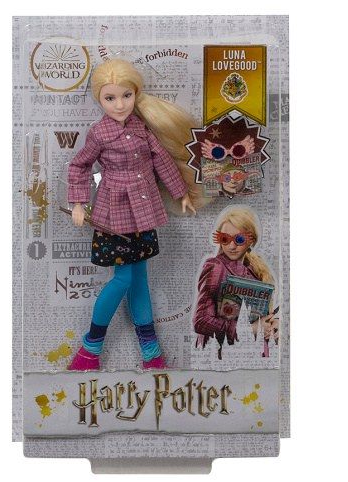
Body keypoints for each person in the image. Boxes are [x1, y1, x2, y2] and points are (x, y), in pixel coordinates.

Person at [67, 59, 203, 370]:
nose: (119, 105)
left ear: (135, 94)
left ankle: (150, 350)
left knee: (140, 277)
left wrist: (181, 193)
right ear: (99, 99)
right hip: (114, 211)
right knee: (123, 278)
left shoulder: (142, 128)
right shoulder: (99, 133)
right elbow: (79, 165)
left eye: (126, 96)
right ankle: (90, 346)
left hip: (143, 211)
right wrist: (78, 202)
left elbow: (161, 160)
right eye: (110, 98)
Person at [193, 206, 278, 357]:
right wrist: (250, 329)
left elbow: (261, 316)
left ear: (251, 240)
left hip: (253, 354)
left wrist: (272, 323)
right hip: (223, 354)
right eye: (225, 239)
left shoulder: (255, 269)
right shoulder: (216, 267)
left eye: (239, 239)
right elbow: (201, 321)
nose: (231, 246)